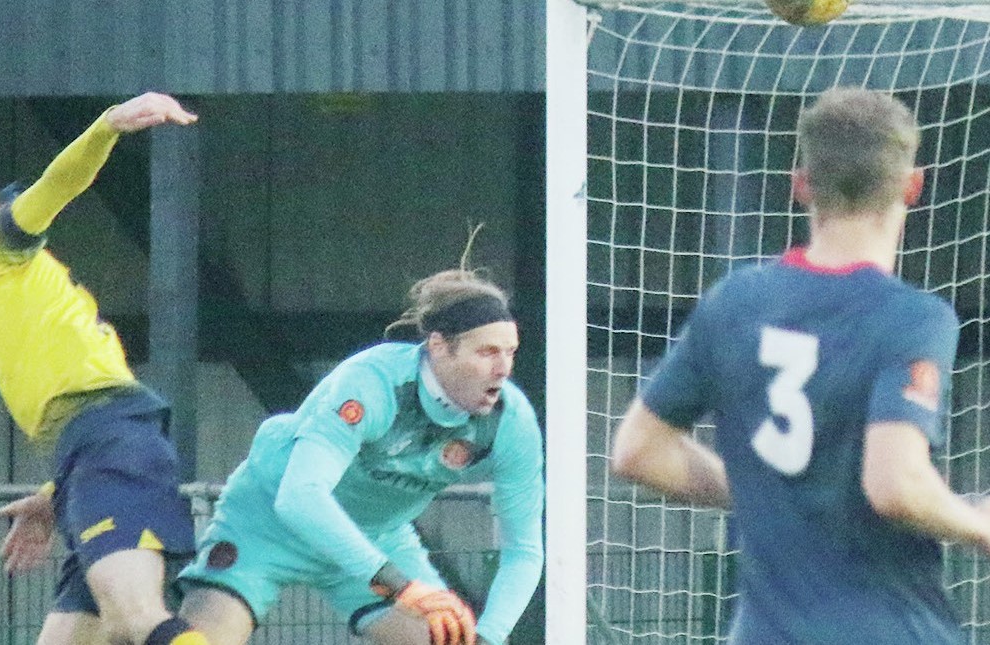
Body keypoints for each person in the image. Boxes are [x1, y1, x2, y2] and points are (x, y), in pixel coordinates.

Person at [610, 87, 990, 644]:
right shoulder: (913, 318)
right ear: (913, 186)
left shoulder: (735, 302)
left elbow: (638, 451)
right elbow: (895, 485)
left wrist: (774, 494)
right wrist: (978, 524)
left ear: (801, 185)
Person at [0, 92, 211, 645]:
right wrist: (55, 495)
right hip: (93, 456)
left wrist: (106, 126)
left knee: (137, 618)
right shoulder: (13, 288)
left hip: (108, 447)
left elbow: (54, 187)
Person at [175, 263, 545, 645]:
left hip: (376, 538)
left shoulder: (510, 421)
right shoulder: (375, 382)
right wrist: (396, 583)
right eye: (486, 352)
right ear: (438, 346)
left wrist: (488, 637)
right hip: (267, 522)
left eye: (510, 353)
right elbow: (298, 497)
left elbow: (524, 550)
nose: (503, 369)